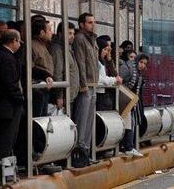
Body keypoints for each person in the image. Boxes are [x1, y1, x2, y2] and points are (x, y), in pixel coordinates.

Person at [72, 13, 99, 168]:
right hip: (86, 84)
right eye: (89, 22)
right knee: (82, 120)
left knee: (89, 121)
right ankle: (80, 152)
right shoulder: (80, 39)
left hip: (93, 83)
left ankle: (86, 152)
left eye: (93, 22)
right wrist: (83, 84)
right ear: (81, 24)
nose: (92, 25)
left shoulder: (92, 40)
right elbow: (81, 63)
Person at [0, 30, 24, 185]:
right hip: (8, 107)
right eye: (19, 42)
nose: (20, 45)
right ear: (13, 41)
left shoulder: (1, 54)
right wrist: (20, 99)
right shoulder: (7, 58)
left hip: (2, 106)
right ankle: (3, 177)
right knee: (6, 143)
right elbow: (10, 84)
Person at [119, 54, 148, 157]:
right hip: (125, 100)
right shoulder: (128, 69)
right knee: (128, 123)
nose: (142, 65)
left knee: (131, 122)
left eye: (144, 64)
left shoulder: (137, 72)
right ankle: (128, 147)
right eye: (141, 62)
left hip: (131, 101)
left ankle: (128, 146)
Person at [49, 22, 80, 112]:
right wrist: (59, 96)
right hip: (63, 98)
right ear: (60, 34)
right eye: (69, 33)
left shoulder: (67, 49)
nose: (72, 36)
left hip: (69, 96)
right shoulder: (57, 50)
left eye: (73, 33)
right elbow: (57, 74)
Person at [31, 20, 54, 117]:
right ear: (41, 33)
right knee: (38, 121)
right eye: (49, 30)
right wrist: (45, 75)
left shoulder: (43, 45)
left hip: (45, 88)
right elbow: (30, 68)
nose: (52, 32)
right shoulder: (32, 46)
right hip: (37, 90)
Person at [96, 38, 122, 111]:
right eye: (105, 49)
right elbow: (99, 78)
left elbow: (115, 74)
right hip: (99, 92)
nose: (107, 52)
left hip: (105, 92)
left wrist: (109, 59)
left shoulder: (104, 60)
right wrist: (114, 80)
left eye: (109, 50)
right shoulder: (96, 61)